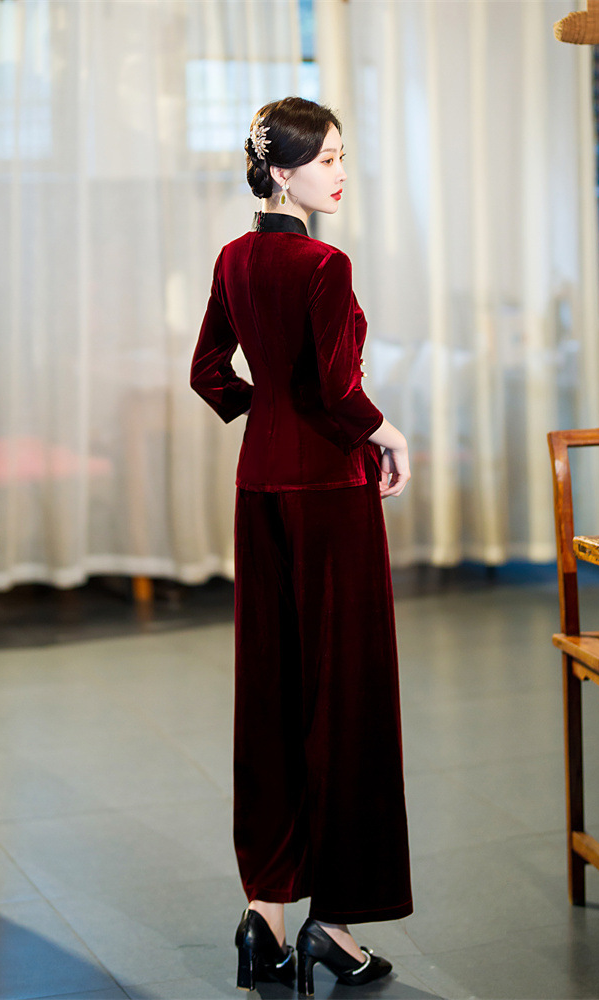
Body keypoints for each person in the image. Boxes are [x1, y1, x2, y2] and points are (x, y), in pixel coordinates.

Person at [190, 96, 413, 996]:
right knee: (346, 698)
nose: (341, 172)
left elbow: (209, 374)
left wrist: (269, 415)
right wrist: (390, 434)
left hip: (260, 491)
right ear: (281, 171)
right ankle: (337, 923)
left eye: (342, 156)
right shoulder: (325, 264)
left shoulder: (232, 259)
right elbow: (335, 388)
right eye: (326, 159)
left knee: (271, 695)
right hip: (328, 496)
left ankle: (264, 918)